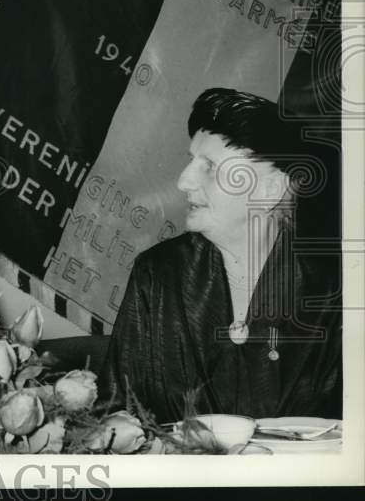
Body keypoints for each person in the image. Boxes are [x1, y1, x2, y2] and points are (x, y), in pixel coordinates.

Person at [101, 87, 342, 423]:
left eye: (210, 167)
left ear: (270, 189)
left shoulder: (332, 293)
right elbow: (113, 409)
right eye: (191, 161)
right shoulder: (158, 275)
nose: (184, 181)